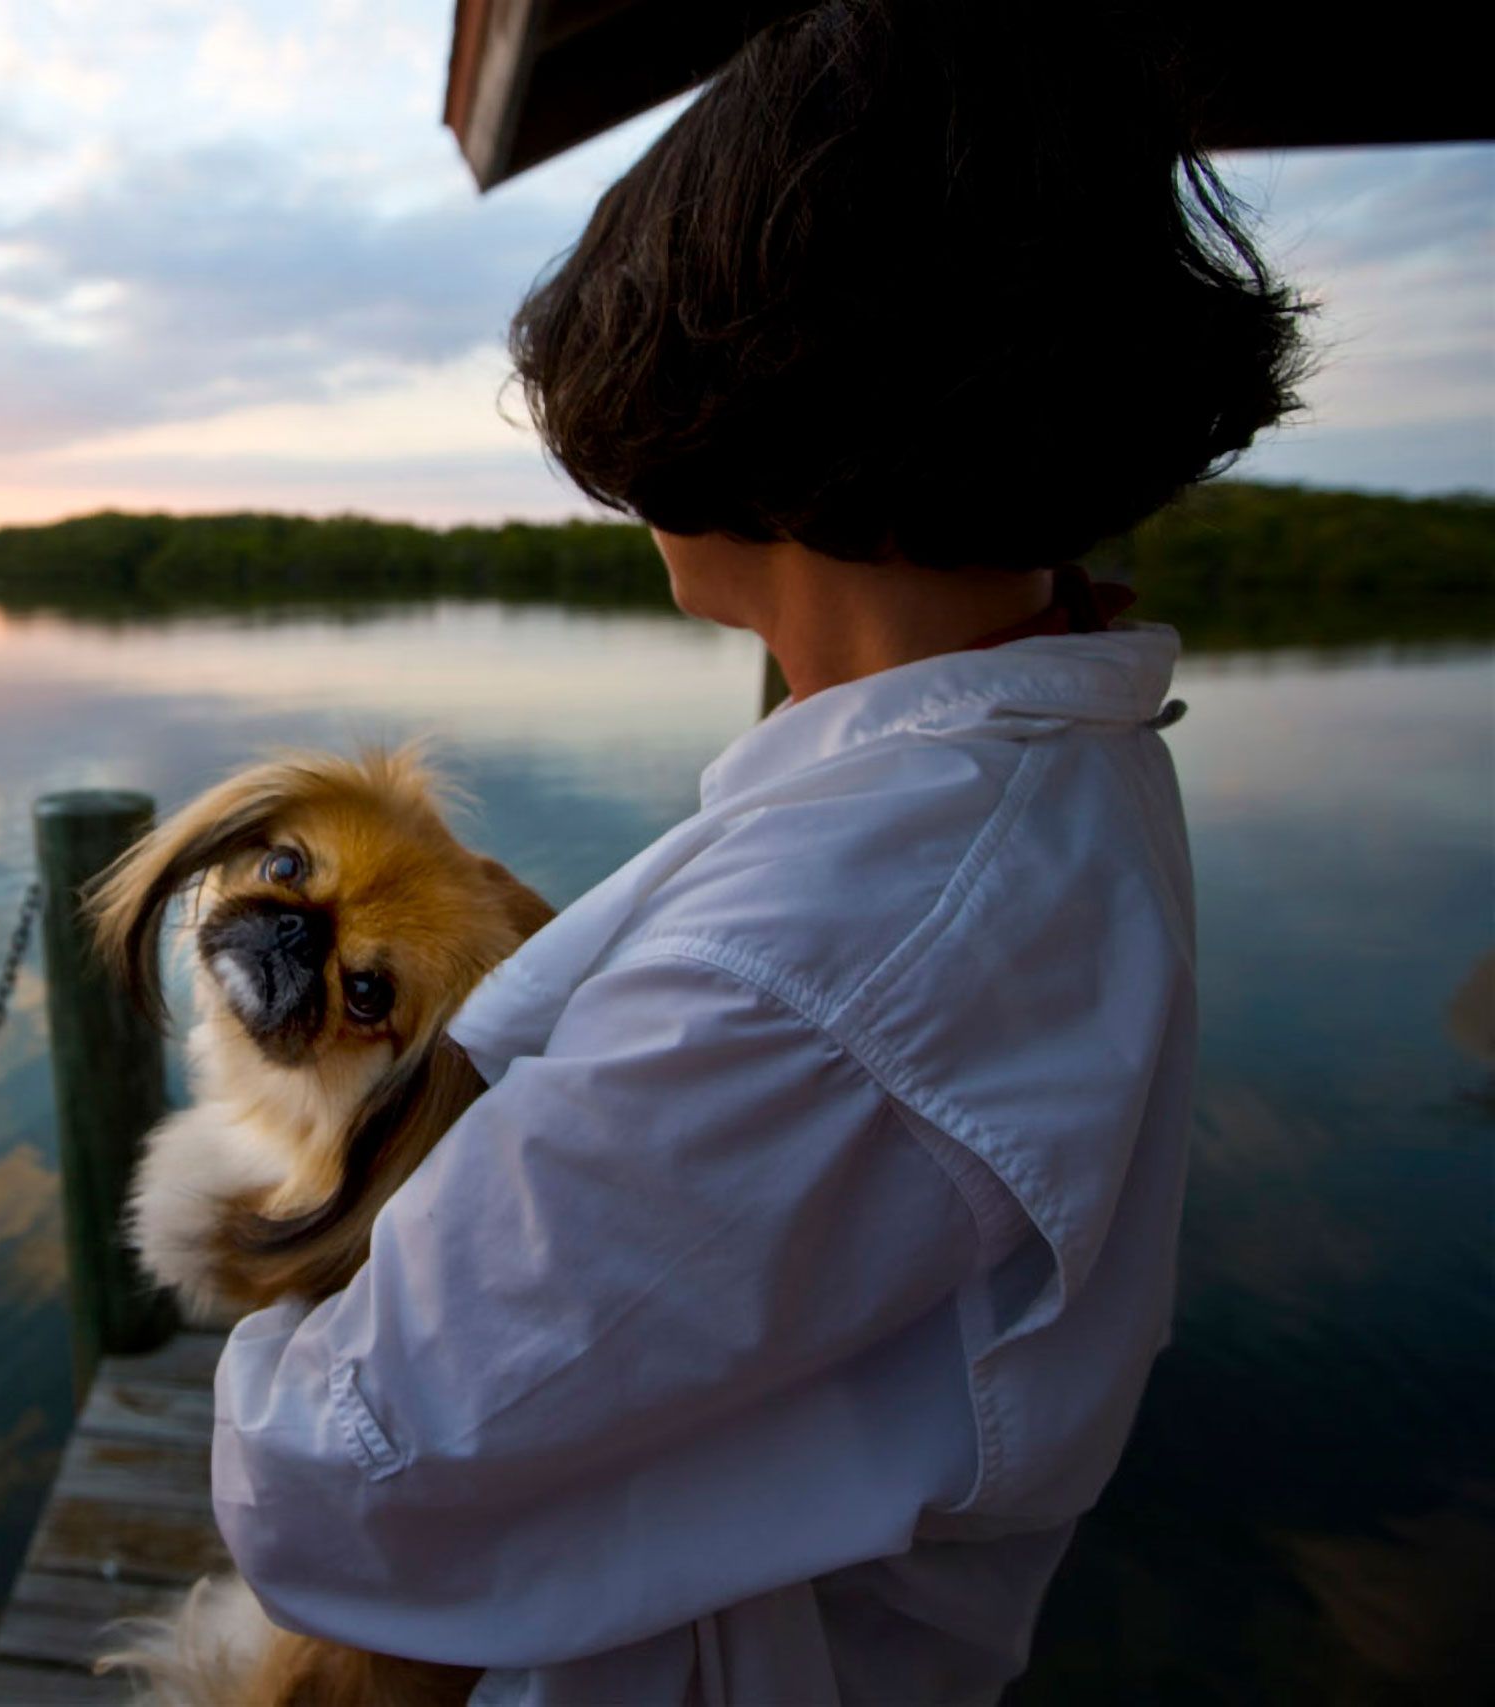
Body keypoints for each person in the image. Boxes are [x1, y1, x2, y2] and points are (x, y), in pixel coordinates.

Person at [208, 2, 1307, 1701]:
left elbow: (341, 1477)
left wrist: (272, 1282)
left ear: (747, 420)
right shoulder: (1011, 776)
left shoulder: (835, 947)